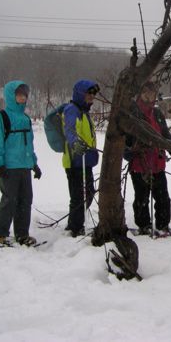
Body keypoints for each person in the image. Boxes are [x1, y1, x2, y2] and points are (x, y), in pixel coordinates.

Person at [0, 80, 41, 246]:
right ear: (11, 96)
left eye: (25, 94)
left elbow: (29, 144)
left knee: (25, 200)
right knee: (9, 201)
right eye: (19, 94)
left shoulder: (25, 118)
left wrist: (34, 164)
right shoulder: (1, 117)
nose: (23, 97)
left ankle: (22, 234)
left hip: (24, 166)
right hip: (9, 167)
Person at [125, 81, 171, 234]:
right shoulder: (133, 112)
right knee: (142, 197)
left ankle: (163, 225)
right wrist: (130, 152)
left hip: (158, 163)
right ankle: (144, 225)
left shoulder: (157, 113)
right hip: (140, 163)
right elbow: (125, 140)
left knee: (163, 197)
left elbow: (165, 134)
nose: (149, 95)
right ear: (140, 93)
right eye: (146, 92)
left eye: (152, 93)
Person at [63, 80, 100, 237]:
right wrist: (77, 145)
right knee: (78, 195)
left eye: (93, 94)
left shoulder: (84, 112)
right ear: (80, 94)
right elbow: (70, 129)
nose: (91, 97)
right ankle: (75, 227)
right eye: (88, 93)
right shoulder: (72, 110)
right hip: (75, 161)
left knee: (89, 192)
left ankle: (75, 223)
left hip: (86, 160)